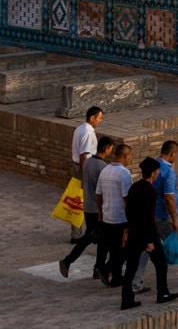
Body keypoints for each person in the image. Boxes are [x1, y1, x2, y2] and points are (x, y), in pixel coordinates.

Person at [130, 140, 178, 291]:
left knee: (145, 249)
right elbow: (169, 197)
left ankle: (136, 281)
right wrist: (174, 219)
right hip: (163, 216)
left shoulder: (154, 166)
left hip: (150, 216)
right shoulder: (168, 172)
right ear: (173, 153)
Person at [120, 157, 178, 309]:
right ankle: (163, 293)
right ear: (153, 173)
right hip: (146, 234)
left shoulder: (134, 187)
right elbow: (148, 217)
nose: (158, 173)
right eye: (157, 171)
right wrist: (149, 241)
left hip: (134, 233)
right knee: (161, 264)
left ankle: (127, 299)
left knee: (131, 268)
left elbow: (129, 211)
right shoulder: (150, 191)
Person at [60, 136, 113, 281]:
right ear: (107, 149)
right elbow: (102, 190)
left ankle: (97, 268)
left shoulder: (88, 162)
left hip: (88, 206)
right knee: (97, 239)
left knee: (96, 237)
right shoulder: (102, 167)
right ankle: (71, 261)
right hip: (97, 209)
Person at [95, 144, 132, 290]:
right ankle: (105, 269)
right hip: (120, 218)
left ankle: (117, 278)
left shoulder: (105, 170)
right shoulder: (124, 173)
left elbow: (98, 194)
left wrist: (100, 211)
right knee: (124, 249)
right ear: (126, 156)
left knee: (114, 248)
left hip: (107, 217)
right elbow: (126, 198)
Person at [70, 106, 101, 243]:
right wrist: (85, 176)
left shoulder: (79, 129)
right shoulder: (88, 133)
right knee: (86, 200)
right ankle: (89, 232)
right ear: (92, 118)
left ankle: (76, 233)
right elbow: (84, 155)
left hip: (77, 166)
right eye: (99, 118)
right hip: (84, 168)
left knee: (77, 200)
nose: (100, 121)